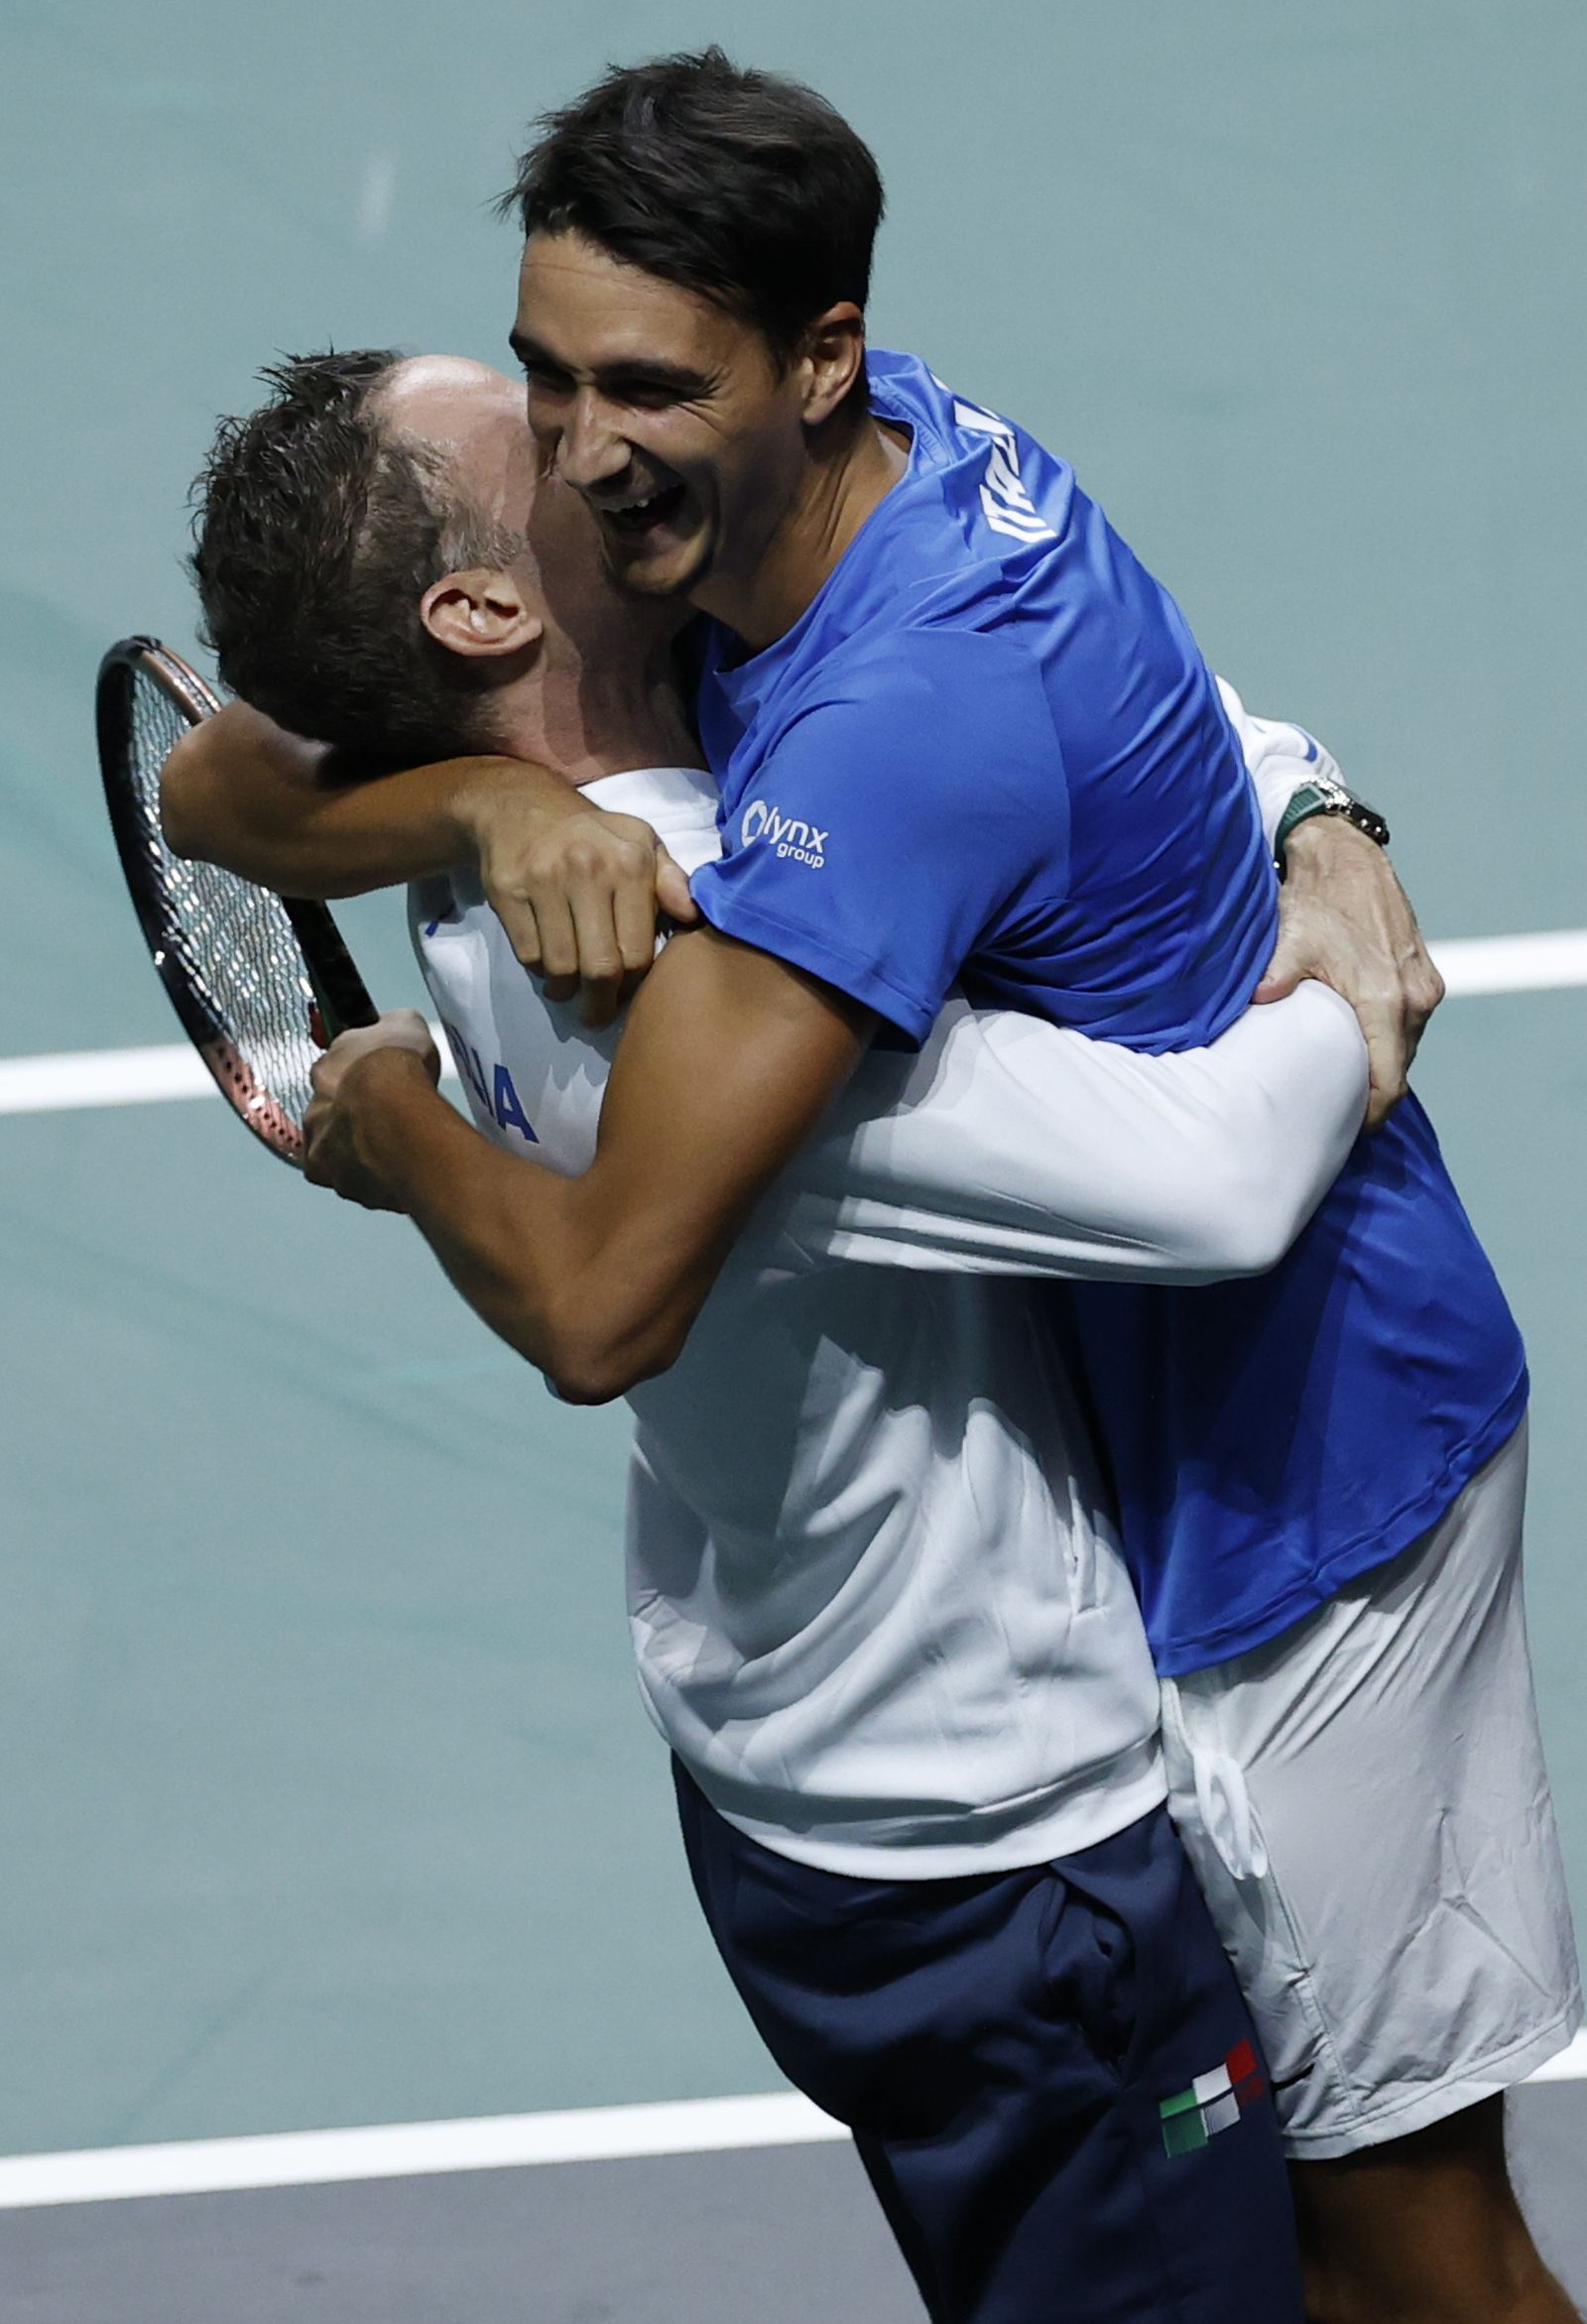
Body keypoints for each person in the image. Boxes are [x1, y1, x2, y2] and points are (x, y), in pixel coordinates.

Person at [168, 340, 1578, 2322]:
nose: (602, 439)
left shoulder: (496, 800)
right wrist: (1346, 976)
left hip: (787, 1773)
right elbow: (1204, 1186)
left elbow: (212, 769)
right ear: (483, 607)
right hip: (1003, 1830)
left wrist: (1305, 802)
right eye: (542, 433)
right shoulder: (711, 963)